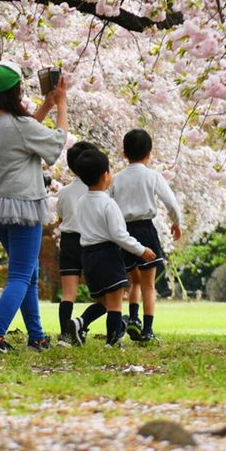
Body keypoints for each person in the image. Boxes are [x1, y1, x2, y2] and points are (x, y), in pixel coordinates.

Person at [0, 60, 68, 354]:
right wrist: (61, 105)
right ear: (15, 92)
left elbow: (21, 134)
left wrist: (46, 106)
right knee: (20, 275)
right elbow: (54, 145)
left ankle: (37, 337)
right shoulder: (20, 125)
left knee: (28, 272)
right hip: (24, 207)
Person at [71, 149, 156, 347]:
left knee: (104, 302)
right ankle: (113, 340)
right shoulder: (108, 204)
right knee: (116, 303)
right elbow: (119, 235)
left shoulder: (81, 202)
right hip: (107, 255)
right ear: (105, 175)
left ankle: (80, 322)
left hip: (88, 256)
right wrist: (141, 250)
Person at [111, 128, 183, 344]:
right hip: (145, 230)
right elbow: (171, 203)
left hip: (123, 232)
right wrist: (176, 222)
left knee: (133, 281)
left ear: (125, 153)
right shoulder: (153, 176)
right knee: (148, 285)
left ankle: (133, 318)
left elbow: (106, 204)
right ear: (149, 153)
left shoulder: (116, 178)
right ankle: (148, 330)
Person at [54, 140, 105, 345]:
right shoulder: (98, 192)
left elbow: (60, 218)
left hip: (68, 242)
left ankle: (65, 335)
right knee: (107, 298)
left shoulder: (64, 192)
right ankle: (80, 323)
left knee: (68, 294)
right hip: (92, 243)